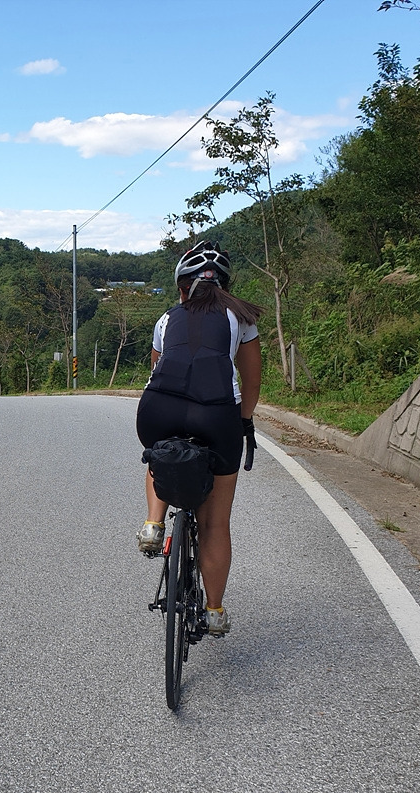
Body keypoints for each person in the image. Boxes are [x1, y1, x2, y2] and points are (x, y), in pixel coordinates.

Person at [135, 240, 262, 635]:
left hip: (159, 409)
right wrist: (243, 422)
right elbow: (251, 379)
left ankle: (153, 523)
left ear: (181, 288)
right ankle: (214, 611)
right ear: (225, 287)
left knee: (158, 454)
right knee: (215, 524)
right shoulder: (242, 318)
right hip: (217, 414)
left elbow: (157, 371)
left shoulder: (165, 320)